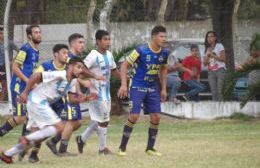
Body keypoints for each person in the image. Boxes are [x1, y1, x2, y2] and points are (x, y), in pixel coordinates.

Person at [0, 56, 97, 164]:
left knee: (37, 137)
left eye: (82, 68)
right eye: (78, 67)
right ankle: (27, 139)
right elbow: (36, 76)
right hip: (38, 101)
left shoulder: (72, 82)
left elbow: (71, 99)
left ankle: (7, 154)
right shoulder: (60, 74)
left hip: (36, 102)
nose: (80, 70)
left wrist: (85, 98)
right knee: (59, 127)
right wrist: (25, 92)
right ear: (70, 66)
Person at [45, 33, 103, 156]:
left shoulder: (74, 57)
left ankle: (53, 141)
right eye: (80, 42)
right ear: (72, 44)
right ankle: (62, 150)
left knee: (76, 123)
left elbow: (74, 78)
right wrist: (84, 82)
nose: (82, 45)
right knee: (72, 122)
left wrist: (79, 90)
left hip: (71, 92)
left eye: (83, 42)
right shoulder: (68, 57)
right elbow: (68, 76)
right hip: (66, 95)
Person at [117, 25, 169, 156]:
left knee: (156, 117)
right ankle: (122, 148)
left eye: (165, 36)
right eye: (161, 36)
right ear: (153, 37)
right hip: (137, 86)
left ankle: (150, 148)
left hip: (152, 88)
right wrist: (123, 85)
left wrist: (163, 88)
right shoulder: (141, 49)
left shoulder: (164, 53)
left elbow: (163, 69)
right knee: (134, 116)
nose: (164, 39)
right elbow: (124, 65)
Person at [76, 30, 120, 155]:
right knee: (104, 120)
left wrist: (125, 79)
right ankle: (102, 149)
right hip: (96, 93)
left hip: (106, 93)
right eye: (105, 39)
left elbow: (114, 70)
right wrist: (94, 76)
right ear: (98, 41)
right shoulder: (93, 55)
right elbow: (81, 68)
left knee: (99, 120)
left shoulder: (110, 55)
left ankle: (81, 139)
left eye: (109, 39)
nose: (108, 42)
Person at [23, 44, 70, 163]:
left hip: (58, 102)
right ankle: (33, 153)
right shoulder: (46, 66)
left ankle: (31, 144)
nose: (66, 55)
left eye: (67, 53)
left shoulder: (68, 68)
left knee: (60, 126)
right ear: (56, 54)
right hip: (42, 101)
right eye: (64, 53)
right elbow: (34, 78)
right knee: (40, 128)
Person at [0, 25, 41, 137]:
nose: (39, 34)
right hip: (19, 87)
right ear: (29, 36)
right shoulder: (26, 49)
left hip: (27, 88)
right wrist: (28, 81)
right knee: (20, 117)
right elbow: (15, 67)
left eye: (39, 32)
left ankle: (22, 146)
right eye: (36, 32)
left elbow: (31, 70)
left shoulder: (36, 51)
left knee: (31, 116)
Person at [203, 31, 226, 101]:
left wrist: (213, 55)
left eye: (211, 36)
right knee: (214, 92)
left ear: (215, 38)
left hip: (220, 70)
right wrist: (207, 55)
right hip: (211, 72)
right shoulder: (207, 48)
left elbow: (223, 59)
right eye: (208, 37)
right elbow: (205, 63)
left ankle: (221, 109)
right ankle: (215, 109)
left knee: (220, 91)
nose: (209, 38)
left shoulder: (219, 46)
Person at [0, 26, 19, 101]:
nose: (1, 35)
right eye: (0, 33)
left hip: (5, 66)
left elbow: (19, 51)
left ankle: (1, 103)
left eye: (2, 33)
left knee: (5, 85)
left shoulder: (9, 42)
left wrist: (13, 61)